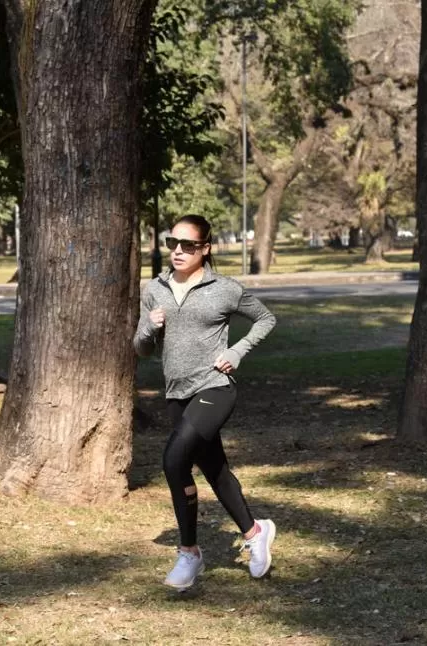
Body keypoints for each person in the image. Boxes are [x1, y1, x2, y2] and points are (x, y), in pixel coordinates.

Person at [133, 214, 278, 590]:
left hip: (215, 387)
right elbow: (142, 348)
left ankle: (189, 553)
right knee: (214, 469)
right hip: (176, 393)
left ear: (205, 248)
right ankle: (255, 531)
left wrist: (239, 351)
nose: (178, 251)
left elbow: (265, 319)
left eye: (188, 245)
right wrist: (149, 325)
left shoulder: (224, 289)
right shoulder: (156, 289)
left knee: (173, 459)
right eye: (172, 244)